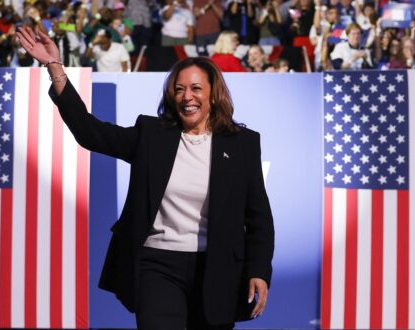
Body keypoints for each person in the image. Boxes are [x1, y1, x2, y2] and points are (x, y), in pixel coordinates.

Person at [16, 25, 274, 329]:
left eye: (195, 88)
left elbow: (258, 217)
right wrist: (54, 67)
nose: (186, 97)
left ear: (213, 95)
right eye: (179, 89)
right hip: (158, 265)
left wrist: (258, 269)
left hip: (217, 269)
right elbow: (90, 132)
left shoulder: (242, 144)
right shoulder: (153, 135)